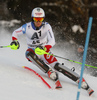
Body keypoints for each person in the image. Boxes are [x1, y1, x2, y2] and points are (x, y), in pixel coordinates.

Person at [10, 7, 94, 95]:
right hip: (33, 50)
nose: (38, 22)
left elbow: (52, 41)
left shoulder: (46, 26)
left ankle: (79, 79)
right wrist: (14, 41)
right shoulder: (27, 27)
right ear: (32, 18)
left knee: (57, 66)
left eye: (41, 19)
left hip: (44, 51)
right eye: (36, 19)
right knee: (28, 53)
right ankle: (49, 71)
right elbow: (15, 32)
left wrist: (45, 48)